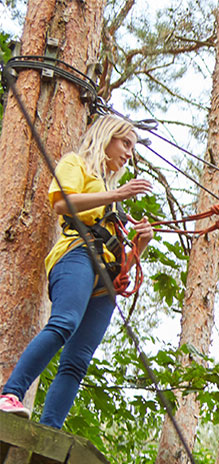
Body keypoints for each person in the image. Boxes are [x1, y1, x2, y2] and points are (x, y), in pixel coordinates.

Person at [0, 115, 154, 426]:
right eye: (125, 143)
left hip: (106, 279)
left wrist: (140, 245)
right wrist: (116, 195)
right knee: (64, 322)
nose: (128, 153)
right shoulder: (76, 165)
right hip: (77, 255)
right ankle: (10, 393)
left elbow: (124, 263)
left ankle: (50, 428)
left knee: (78, 361)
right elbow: (62, 204)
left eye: (132, 147)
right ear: (106, 137)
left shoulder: (114, 202)